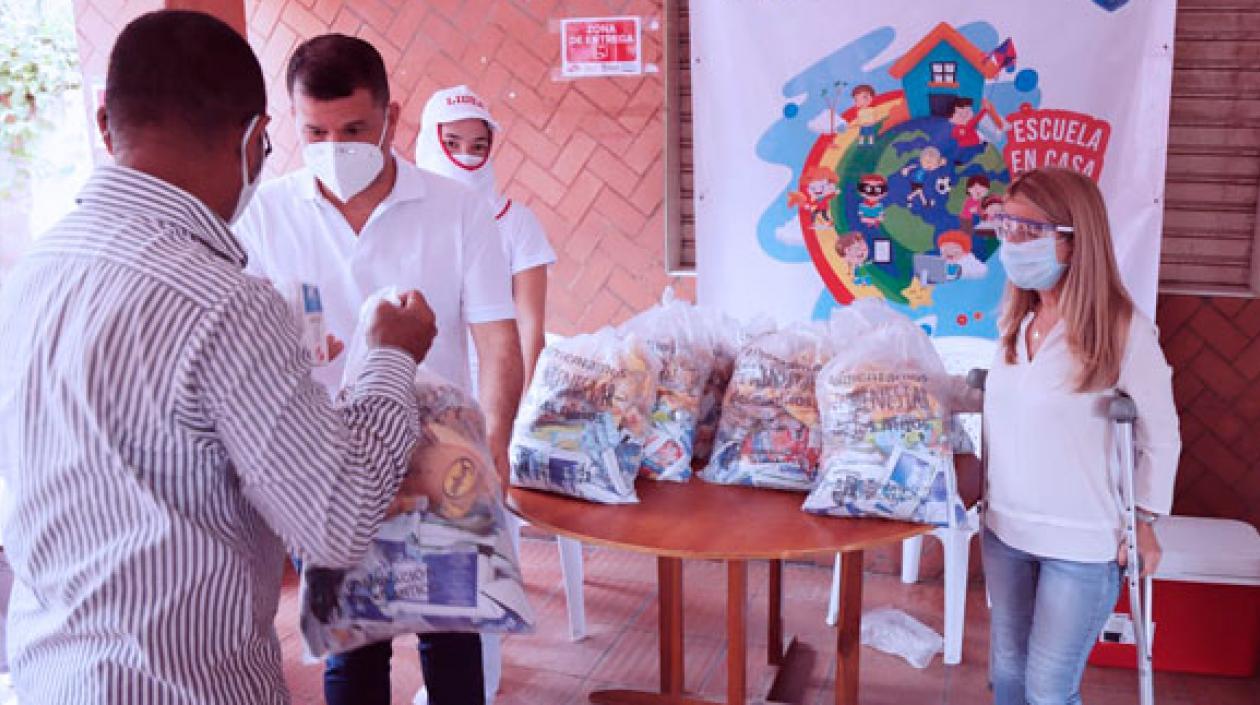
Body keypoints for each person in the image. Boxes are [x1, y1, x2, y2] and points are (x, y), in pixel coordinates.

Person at [0, 11, 438, 704]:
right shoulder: (225, 304)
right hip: (187, 686)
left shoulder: (32, 271)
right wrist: (387, 357)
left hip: (51, 674)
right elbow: (337, 522)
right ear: (258, 140)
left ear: (105, 118)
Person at [233, 35, 523, 705]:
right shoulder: (265, 215)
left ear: (392, 120)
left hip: (442, 461)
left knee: (453, 643)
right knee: (353, 653)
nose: (335, 145)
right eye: (316, 131)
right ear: (291, 125)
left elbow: (497, 338)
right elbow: (242, 339)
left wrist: (498, 442)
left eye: (354, 129)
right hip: (327, 466)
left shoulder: (458, 210)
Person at [977, 167, 1180, 705]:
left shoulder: (1121, 328)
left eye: (1030, 230)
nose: (1013, 243)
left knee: (1048, 688)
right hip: (1005, 530)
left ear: (1074, 241)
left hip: (1083, 542)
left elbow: (1161, 432)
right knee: (1009, 672)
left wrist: (1145, 519)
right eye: (1005, 227)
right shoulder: (1014, 323)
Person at [415, 84, 557, 389]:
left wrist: (524, 407)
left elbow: (530, 325)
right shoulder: (404, 218)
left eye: (478, 146)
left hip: (495, 390)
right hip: (425, 388)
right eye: (451, 144)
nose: (465, 156)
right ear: (429, 143)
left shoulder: (517, 222)